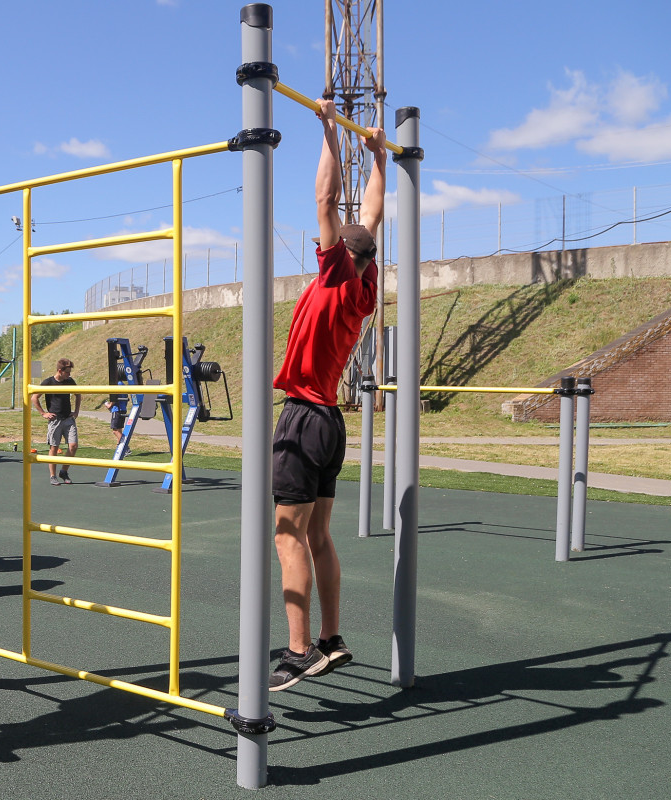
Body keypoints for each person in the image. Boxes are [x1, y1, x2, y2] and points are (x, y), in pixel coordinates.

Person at [267, 98, 385, 692]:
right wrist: (380, 158)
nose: (333, 230)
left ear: (345, 250)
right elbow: (370, 213)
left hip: (303, 417)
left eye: (340, 235)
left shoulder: (335, 274)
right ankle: (332, 638)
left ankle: (298, 649)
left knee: (289, 535)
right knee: (318, 535)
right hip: (330, 421)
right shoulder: (362, 289)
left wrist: (328, 133)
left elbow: (325, 198)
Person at [33, 358, 79, 486]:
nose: (69, 375)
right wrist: (43, 413)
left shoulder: (70, 382)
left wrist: (76, 411)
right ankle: (53, 476)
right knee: (54, 447)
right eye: (67, 372)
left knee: (73, 446)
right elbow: (34, 397)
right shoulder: (48, 382)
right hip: (55, 420)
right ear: (60, 371)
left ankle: (64, 471)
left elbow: (78, 394)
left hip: (68, 419)